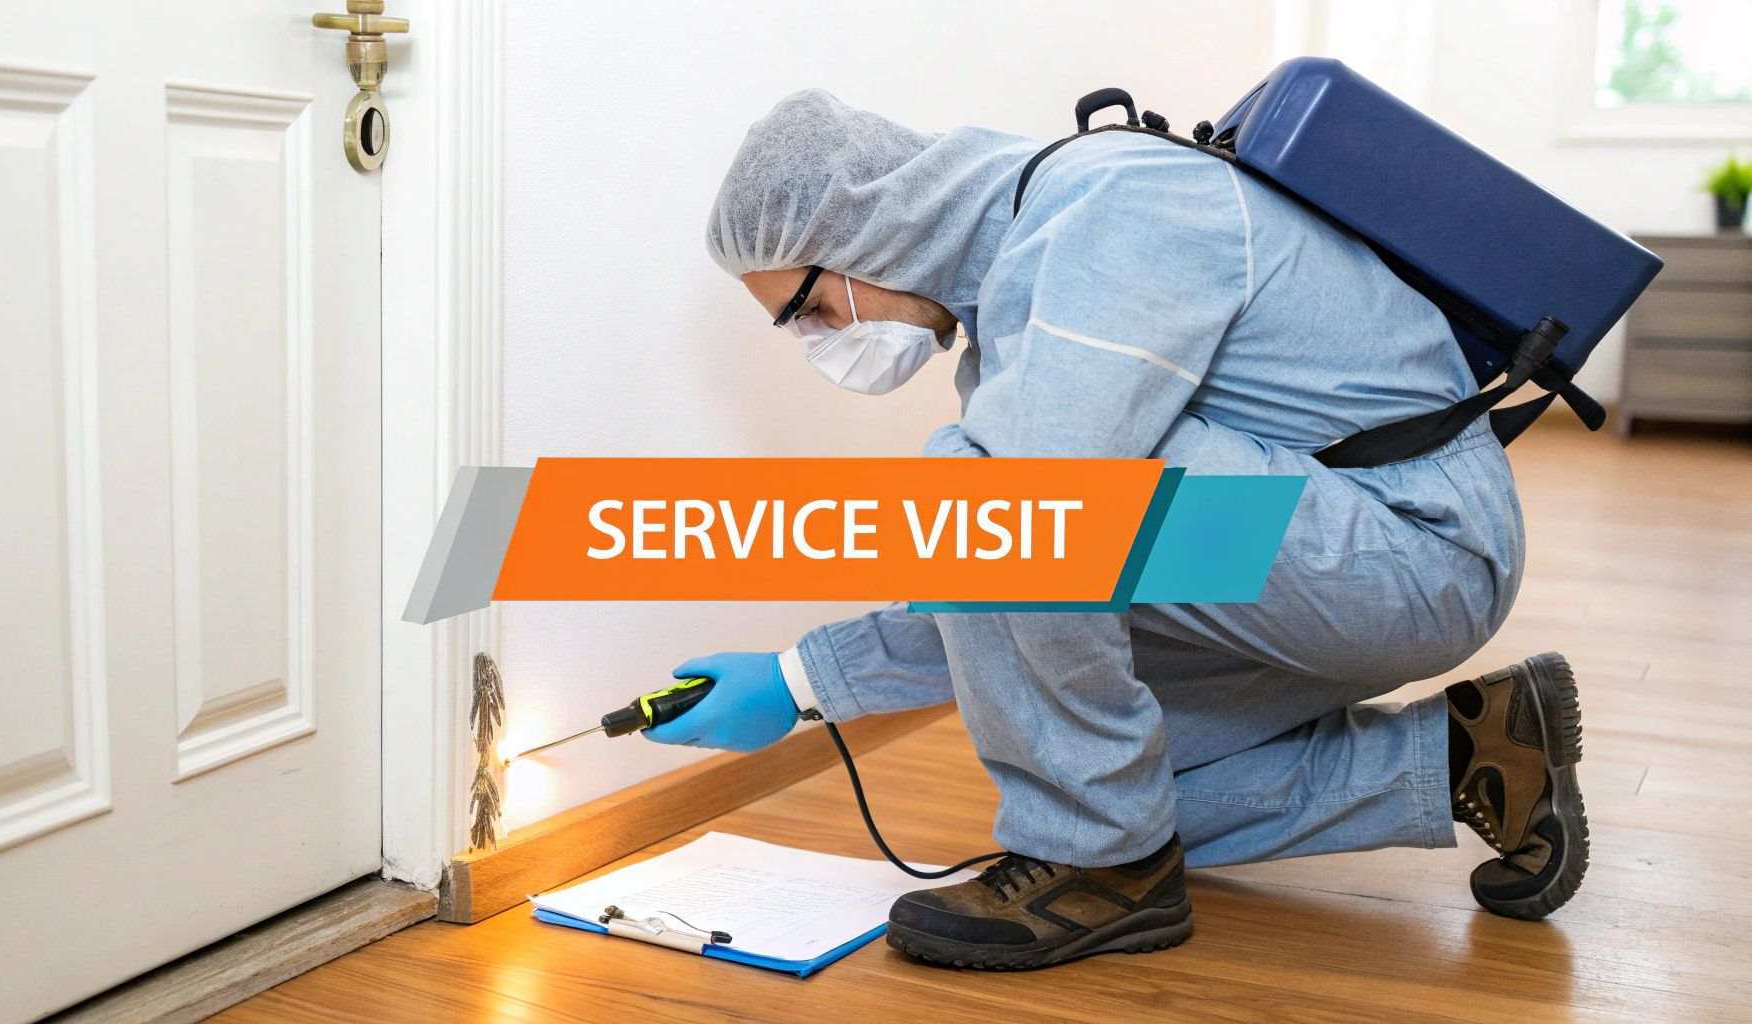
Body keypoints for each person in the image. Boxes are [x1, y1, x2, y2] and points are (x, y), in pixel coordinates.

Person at [648, 89, 1588, 971]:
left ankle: (1103, 871)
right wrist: (799, 682)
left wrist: (812, 675)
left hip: (1415, 551)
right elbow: (1011, 563)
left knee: (989, 499)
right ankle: (1473, 753)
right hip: (1328, 549)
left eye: (813, 311)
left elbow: (1021, 526)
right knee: (1117, 781)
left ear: (869, 229)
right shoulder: (1025, 294)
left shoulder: (1109, 211)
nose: (822, 341)